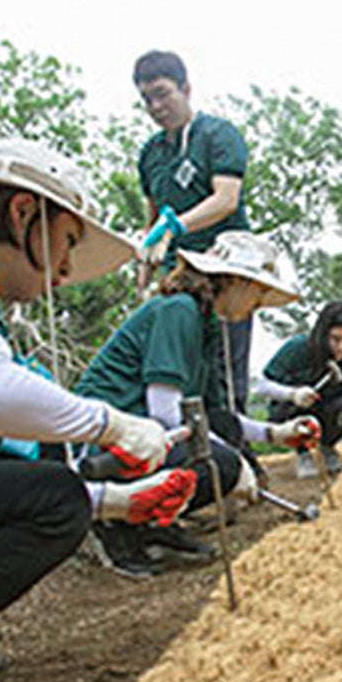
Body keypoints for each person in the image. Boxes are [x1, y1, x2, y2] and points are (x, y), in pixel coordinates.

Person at [0, 140, 197, 682]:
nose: (64, 270)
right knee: (54, 499)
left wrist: (112, 502)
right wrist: (114, 424)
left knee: (50, 486)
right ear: (22, 213)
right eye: (68, 242)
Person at [75, 230, 320, 576]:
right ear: (235, 281)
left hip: (147, 437)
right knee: (221, 464)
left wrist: (276, 434)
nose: (258, 304)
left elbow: (217, 416)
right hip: (107, 445)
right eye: (258, 292)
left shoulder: (207, 327)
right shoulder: (179, 311)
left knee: (222, 442)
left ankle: (152, 524)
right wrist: (236, 464)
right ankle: (115, 525)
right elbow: (164, 413)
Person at [132, 50, 255, 415]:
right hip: (179, 275)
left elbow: (226, 199)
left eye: (162, 93)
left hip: (226, 268)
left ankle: (239, 448)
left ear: (186, 88)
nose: (156, 106)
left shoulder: (218, 134)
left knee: (228, 368)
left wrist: (175, 227)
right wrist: (144, 266)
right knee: (185, 365)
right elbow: (151, 218)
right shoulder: (150, 153)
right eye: (146, 99)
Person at [257, 302, 342, 480]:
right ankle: (303, 454)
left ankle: (327, 447)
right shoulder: (297, 348)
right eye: (335, 339)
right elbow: (262, 385)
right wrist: (292, 394)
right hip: (294, 410)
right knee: (291, 410)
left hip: (329, 408)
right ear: (323, 334)